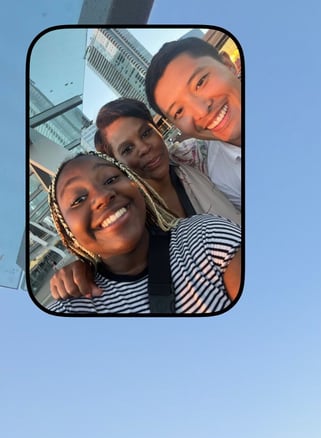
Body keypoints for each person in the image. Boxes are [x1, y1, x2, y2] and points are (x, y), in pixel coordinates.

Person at [49, 98, 241, 303]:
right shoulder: (128, 220)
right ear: (116, 165)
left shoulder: (196, 158)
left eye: (146, 133)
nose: (143, 148)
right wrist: (84, 267)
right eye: (127, 149)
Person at [45, 152, 241, 315]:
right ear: (67, 231)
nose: (102, 197)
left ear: (136, 184)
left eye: (111, 179)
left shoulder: (205, 236)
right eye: (78, 199)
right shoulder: (70, 310)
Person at [145, 37, 242, 209]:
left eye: (200, 83)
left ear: (228, 65)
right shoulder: (220, 175)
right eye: (179, 111)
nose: (201, 111)